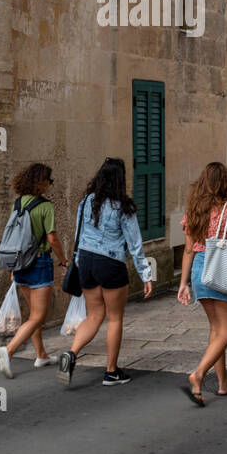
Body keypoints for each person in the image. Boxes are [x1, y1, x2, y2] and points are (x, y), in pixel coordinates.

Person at [58, 157, 154, 387]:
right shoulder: (123, 205)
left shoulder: (86, 201)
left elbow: (78, 234)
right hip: (110, 263)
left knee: (93, 316)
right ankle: (111, 371)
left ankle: (71, 353)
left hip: (86, 261)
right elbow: (135, 244)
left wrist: (79, 260)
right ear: (120, 179)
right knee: (115, 318)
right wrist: (146, 275)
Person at [177, 161, 227, 405]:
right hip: (221, 270)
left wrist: (184, 283)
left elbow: (189, 250)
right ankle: (198, 374)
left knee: (215, 329)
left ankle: (223, 383)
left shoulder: (193, 210)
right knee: (226, 331)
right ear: (225, 182)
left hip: (200, 271)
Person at [0, 163, 67, 379]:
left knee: (33, 314)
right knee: (38, 316)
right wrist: (63, 260)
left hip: (19, 264)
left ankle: (41, 355)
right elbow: (52, 238)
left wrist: (13, 267)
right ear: (41, 182)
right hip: (39, 262)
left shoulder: (18, 204)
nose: (50, 184)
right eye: (49, 180)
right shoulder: (45, 207)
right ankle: (8, 351)